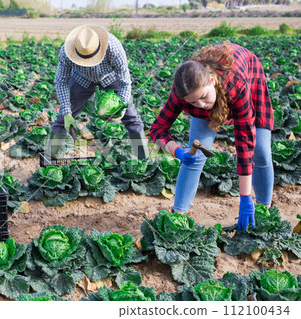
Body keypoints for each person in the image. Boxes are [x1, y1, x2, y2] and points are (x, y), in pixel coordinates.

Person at [149, 42, 274, 232]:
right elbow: (157, 129)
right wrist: (178, 152)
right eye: (193, 101)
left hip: (249, 73)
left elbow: (244, 142)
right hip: (216, 91)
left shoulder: (236, 85)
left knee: (261, 152)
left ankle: (264, 210)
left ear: (212, 80)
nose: (201, 105)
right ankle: (178, 215)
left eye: (204, 97)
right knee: (195, 158)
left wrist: (245, 197)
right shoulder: (182, 94)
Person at [45, 24, 149, 160]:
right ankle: (50, 158)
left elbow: (125, 82)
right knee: (62, 119)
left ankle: (144, 159)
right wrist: (66, 110)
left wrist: (122, 105)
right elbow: (61, 81)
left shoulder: (114, 48)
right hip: (81, 79)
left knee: (131, 118)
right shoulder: (66, 51)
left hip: (109, 79)